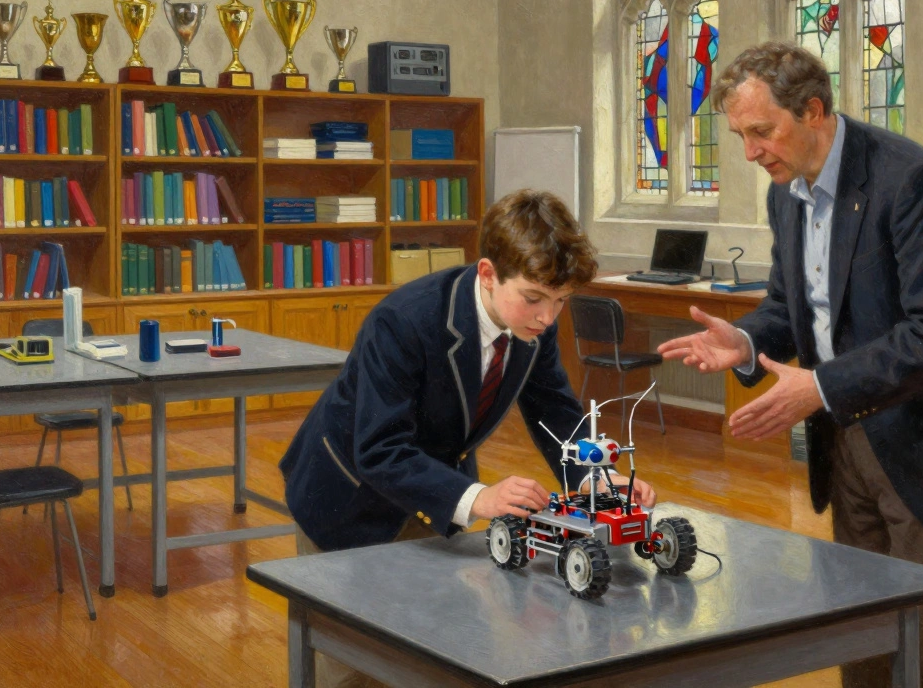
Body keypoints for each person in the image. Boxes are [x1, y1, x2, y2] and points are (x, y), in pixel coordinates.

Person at [657, 42, 923, 688]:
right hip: (850, 439)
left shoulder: (912, 182)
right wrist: (746, 343)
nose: (751, 153)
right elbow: (792, 308)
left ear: (814, 110)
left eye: (762, 132)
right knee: (860, 639)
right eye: (741, 136)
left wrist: (820, 386)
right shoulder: (787, 195)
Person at [281, 188, 656, 687]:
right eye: (534, 298)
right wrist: (480, 496)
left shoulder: (531, 327)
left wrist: (597, 478)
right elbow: (379, 449)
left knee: (434, 652)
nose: (548, 318)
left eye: (561, 301)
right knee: (353, 666)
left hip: (433, 495)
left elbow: (555, 411)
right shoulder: (403, 321)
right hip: (347, 499)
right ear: (487, 274)